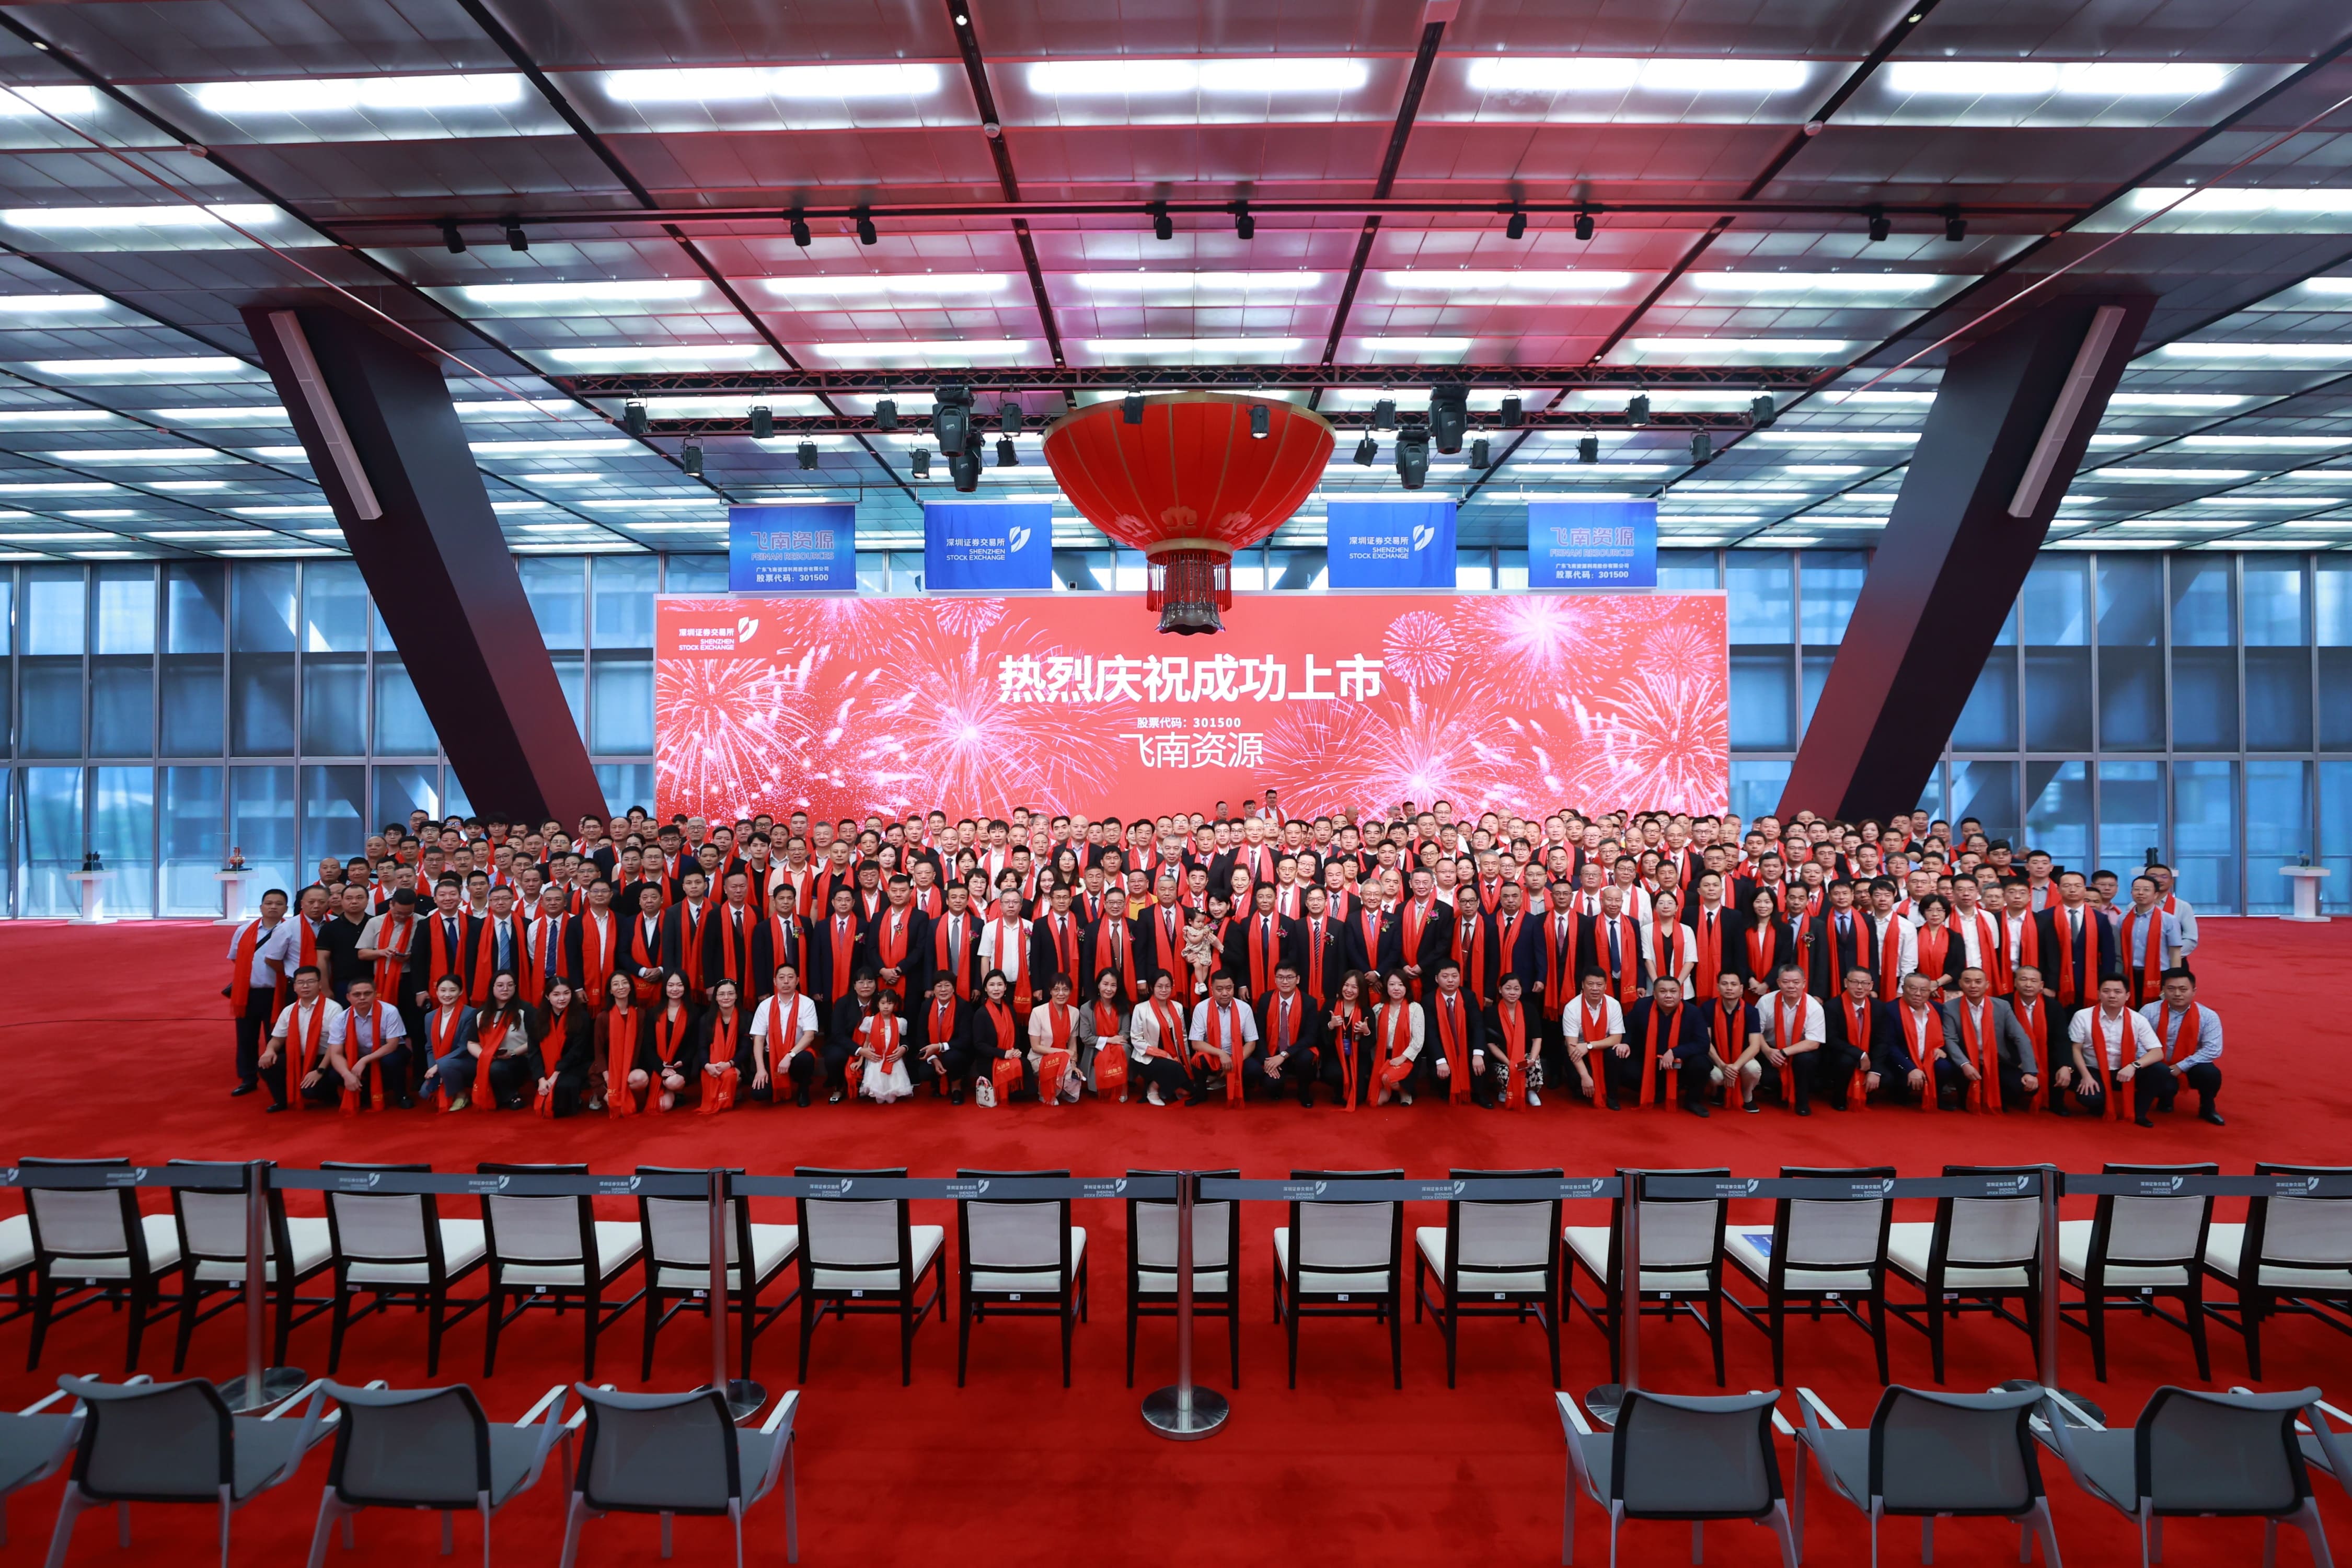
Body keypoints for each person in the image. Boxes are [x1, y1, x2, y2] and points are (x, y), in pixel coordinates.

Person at [2061, 975, 2163, 1121]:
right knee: (2091, 1098)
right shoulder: (2083, 1016)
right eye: (2106, 991)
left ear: (2127, 996)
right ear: (2098, 994)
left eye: (2118, 992)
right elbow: (2075, 1049)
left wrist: (2133, 1066)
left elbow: (2157, 1052)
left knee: (2160, 1071)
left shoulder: (2138, 1019)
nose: (2112, 996)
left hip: (2125, 1070)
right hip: (2093, 1069)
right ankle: (2099, 1104)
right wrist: (2086, 1076)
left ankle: (2139, 1112)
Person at [1942, 964, 2039, 1112]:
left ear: (1987, 985)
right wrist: (1964, 1064)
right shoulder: (1950, 1007)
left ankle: (2001, 1096)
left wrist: (2030, 1072)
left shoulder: (2002, 1006)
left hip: (1997, 1060)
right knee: (1962, 1094)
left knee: (2025, 1087)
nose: (1973, 986)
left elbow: (2020, 1037)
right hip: (1966, 1061)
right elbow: (1950, 1039)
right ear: (1960, 984)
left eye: (1978, 982)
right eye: (1968, 981)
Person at [2139, 966, 2224, 1126]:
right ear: (2163, 990)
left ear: (2194, 991)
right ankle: (2166, 1097)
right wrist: (2154, 1064)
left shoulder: (2208, 1016)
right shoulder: (2149, 1011)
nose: (2177, 994)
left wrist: (2181, 1066)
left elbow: (2213, 1049)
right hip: (2157, 1063)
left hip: (2190, 1064)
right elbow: (2138, 1042)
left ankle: (2207, 1107)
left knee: (2210, 1074)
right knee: (2163, 1081)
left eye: (2183, 989)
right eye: (2171, 989)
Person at [225, 887, 290, 1099]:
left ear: (286, 908)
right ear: (261, 907)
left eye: (278, 904)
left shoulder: (290, 930)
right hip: (249, 993)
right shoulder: (244, 930)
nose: (273, 907)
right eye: (269, 903)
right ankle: (248, 1078)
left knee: (277, 1037)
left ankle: (277, 1078)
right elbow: (236, 958)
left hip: (278, 993)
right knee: (246, 1037)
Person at [1619, 975, 1712, 1115]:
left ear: (1681, 994)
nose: (1668, 996)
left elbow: (1703, 1044)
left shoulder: (1693, 1012)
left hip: (1679, 1064)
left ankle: (1692, 1101)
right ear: (1655, 994)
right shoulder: (1642, 1006)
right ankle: (1656, 1091)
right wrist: (1625, 1043)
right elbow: (1629, 1028)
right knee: (1618, 1059)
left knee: (1701, 1064)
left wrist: (1675, 1052)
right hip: (1648, 1062)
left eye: (1673, 991)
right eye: (1663, 991)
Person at [259, 963, 343, 1112]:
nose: (305, 986)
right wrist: (269, 1050)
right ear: (295, 987)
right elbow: (277, 1039)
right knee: (267, 1064)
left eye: (311, 982)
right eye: (301, 982)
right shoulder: (289, 1010)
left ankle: (329, 1095)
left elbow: (335, 1044)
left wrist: (320, 1071)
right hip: (297, 1057)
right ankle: (283, 1101)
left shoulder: (333, 1009)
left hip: (325, 1058)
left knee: (311, 1092)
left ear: (320, 985)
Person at [325, 977, 407, 1112]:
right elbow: (336, 1053)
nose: (362, 998)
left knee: (392, 1060)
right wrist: (346, 1075)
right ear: (348, 997)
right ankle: (365, 1095)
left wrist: (364, 1060)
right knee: (335, 1074)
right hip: (357, 1055)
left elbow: (392, 1045)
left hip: (386, 1053)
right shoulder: (340, 1019)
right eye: (357, 995)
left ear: (375, 994)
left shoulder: (389, 1011)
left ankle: (402, 1096)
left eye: (367, 993)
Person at [1252, 959, 1320, 1106]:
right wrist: (1267, 1060)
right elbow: (1259, 1034)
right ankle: (1276, 1084)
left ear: (1298, 979)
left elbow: (1311, 1037)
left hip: (1296, 1052)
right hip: (1273, 1052)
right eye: (1280, 977)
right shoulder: (1265, 1000)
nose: (1285, 982)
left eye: (1290, 977)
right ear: (1275, 979)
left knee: (1306, 1057)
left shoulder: (1309, 1002)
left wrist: (1285, 1055)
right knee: (1272, 1087)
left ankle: (1304, 1092)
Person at [1758, 962, 1824, 1115]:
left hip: (1799, 1051)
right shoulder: (1765, 1002)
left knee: (1806, 1061)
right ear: (1779, 983)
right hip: (1770, 1049)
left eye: (1796, 982)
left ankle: (1802, 1102)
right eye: (1786, 982)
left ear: (1804, 983)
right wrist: (1768, 1051)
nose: (1791, 986)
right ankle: (1778, 1090)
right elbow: (1756, 1033)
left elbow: (1814, 1042)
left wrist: (1783, 1052)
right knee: (1769, 1078)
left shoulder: (1814, 1007)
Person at [1188, 971, 1258, 1106]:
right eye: (1219, 989)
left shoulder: (1245, 1008)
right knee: (1198, 1061)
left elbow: (1251, 1043)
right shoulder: (1201, 1008)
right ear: (1212, 990)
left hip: (1237, 1055)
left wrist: (1234, 1061)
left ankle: (1243, 1090)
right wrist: (1221, 1054)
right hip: (1213, 1055)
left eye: (1229, 988)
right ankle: (1201, 1094)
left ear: (1234, 987)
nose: (1225, 993)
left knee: (1254, 1069)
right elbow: (1196, 1043)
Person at [527, 977, 594, 1119]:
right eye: (556, 995)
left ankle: (576, 1098)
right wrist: (541, 1079)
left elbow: (577, 1052)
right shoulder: (537, 1018)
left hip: (573, 1065)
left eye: (566, 993)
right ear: (547, 996)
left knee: (563, 1094)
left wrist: (554, 1076)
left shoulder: (582, 1017)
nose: (562, 999)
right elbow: (534, 1051)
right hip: (546, 1068)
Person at [1422, 959, 1485, 1106]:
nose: (1450, 980)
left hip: (1466, 1047)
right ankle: (1447, 1089)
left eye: (1454, 976)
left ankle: (1480, 1094)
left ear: (1460, 977)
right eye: (1445, 977)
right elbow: (1430, 1034)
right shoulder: (1428, 1000)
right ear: (1437, 979)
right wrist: (1441, 1060)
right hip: (1443, 1049)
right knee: (1439, 1074)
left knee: (1481, 1058)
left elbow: (1478, 1026)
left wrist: (1478, 1054)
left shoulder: (1469, 997)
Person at [472, 970, 538, 1111]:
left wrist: (513, 1053)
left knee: (497, 1068)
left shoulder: (526, 1010)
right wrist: (485, 1057)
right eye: (500, 985)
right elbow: (472, 1042)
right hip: (488, 1058)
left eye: (510, 985)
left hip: (519, 1057)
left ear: (515, 987)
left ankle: (512, 1096)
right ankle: (501, 1095)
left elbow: (536, 1040)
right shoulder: (481, 1013)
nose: (505, 989)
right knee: (479, 1067)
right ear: (493, 988)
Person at [1128, 970, 1192, 1108]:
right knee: (1172, 1067)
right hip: (1147, 1057)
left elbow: (1183, 1037)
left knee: (1191, 1088)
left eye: (1167, 986)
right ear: (1152, 987)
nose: (1164, 990)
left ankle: (1170, 1087)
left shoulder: (1178, 1007)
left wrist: (1187, 1061)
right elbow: (1136, 1040)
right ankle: (1153, 1089)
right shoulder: (1141, 1009)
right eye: (1160, 986)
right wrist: (1163, 1054)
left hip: (1174, 1056)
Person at [1559, 970, 1624, 1104]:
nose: (1595, 988)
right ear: (1583, 985)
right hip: (1578, 1052)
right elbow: (1572, 1046)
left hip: (1601, 1048)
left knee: (1615, 1053)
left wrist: (1589, 1046)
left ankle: (1612, 1096)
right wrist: (1585, 1077)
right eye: (1590, 984)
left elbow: (1616, 1039)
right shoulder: (1572, 1008)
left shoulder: (1614, 1005)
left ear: (1606, 986)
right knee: (1579, 1086)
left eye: (1599, 985)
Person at [638, 970, 697, 1113]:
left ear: (686, 987)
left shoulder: (693, 1013)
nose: (675, 989)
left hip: (680, 1065)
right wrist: (661, 1068)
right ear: (665, 987)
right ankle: (665, 1089)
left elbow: (693, 1045)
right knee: (664, 1106)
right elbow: (648, 1046)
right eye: (671, 985)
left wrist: (683, 1061)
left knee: (672, 1083)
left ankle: (674, 1090)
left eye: (679, 985)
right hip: (657, 1064)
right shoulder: (653, 1013)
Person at [964, 970, 1025, 1106]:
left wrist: (1015, 1051)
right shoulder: (981, 1013)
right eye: (992, 985)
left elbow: (1016, 1036)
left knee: (1024, 1064)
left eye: (1000, 985)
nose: (996, 989)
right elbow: (979, 1045)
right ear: (986, 988)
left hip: (1010, 1054)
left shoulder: (1010, 1009)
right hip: (990, 1060)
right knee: (1019, 1066)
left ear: (1005, 987)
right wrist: (1003, 1054)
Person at [1706, 968, 1763, 1113]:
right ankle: (1718, 1091)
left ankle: (1747, 1096)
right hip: (1717, 1059)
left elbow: (1755, 1046)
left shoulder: (1751, 1011)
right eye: (1725, 984)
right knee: (1716, 1076)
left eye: (1734, 984)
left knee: (1754, 1069)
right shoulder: (1707, 1008)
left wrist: (1734, 1068)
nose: (1729, 988)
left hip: (1741, 1059)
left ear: (1741, 988)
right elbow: (1706, 1042)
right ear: (1718, 987)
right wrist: (1722, 1065)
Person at [1482, 971, 1540, 1108]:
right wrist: (1509, 1063)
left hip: (1524, 1056)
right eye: (1508, 988)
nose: (1512, 992)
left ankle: (1531, 1091)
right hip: (1503, 1058)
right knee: (1507, 1071)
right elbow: (1491, 1044)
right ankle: (1505, 1091)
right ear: (1500, 990)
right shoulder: (1491, 1013)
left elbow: (1537, 1038)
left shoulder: (1530, 1009)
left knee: (1535, 1064)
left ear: (1521, 991)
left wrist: (1532, 1059)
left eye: (1516, 989)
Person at [690, 977, 748, 1114]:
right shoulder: (706, 1019)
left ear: (736, 996)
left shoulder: (746, 1018)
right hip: (712, 1064)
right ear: (715, 997)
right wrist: (707, 1065)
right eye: (722, 994)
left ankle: (733, 1090)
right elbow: (702, 1047)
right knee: (711, 1074)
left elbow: (746, 1048)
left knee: (730, 1076)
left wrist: (730, 1064)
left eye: (730, 993)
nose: (726, 998)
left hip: (736, 1064)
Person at [1368, 970, 1424, 1107]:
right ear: (1386, 987)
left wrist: (1403, 1058)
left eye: (1401, 984)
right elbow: (1374, 1039)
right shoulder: (1378, 1009)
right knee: (1377, 1101)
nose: (1396, 988)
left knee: (1390, 1079)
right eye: (1392, 984)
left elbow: (1418, 1040)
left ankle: (1404, 1091)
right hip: (1384, 1055)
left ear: (1406, 987)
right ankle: (1389, 1088)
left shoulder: (1415, 1008)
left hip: (1408, 1055)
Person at [1028, 973, 1085, 1105]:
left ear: (1070, 992)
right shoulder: (1038, 1012)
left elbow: (1073, 1044)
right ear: (1050, 991)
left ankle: (1061, 1087)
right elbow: (1035, 1047)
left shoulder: (1075, 1013)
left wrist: (1073, 1064)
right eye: (1056, 989)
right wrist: (1064, 1053)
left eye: (1065, 990)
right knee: (1062, 1063)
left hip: (1065, 1059)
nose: (1061, 994)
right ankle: (1046, 1093)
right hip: (1039, 1058)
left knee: (1074, 1075)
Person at [1321, 970, 1375, 1109]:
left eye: (1354, 987)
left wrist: (1366, 1032)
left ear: (1361, 990)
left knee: (1359, 1099)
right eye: (1346, 985)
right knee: (1335, 1074)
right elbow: (1323, 1040)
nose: (1349, 990)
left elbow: (1368, 1046)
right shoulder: (1330, 1006)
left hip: (1358, 1059)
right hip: (1335, 1057)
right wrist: (1330, 1026)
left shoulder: (1366, 1011)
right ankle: (1338, 1089)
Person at [913, 971, 969, 1102]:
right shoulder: (926, 1006)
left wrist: (939, 1047)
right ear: (934, 989)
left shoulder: (963, 1006)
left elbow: (965, 1040)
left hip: (955, 1051)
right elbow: (921, 1037)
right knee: (924, 1071)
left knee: (951, 1058)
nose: (943, 990)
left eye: (947, 985)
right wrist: (933, 1058)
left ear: (954, 988)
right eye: (939, 986)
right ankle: (937, 1083)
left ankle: (956, 1087)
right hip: (933, 1053)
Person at [852, 987, 914, 1103]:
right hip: (877, 1058)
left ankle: (892, 1092)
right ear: (878, 1004)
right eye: (883, 1003)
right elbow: (867, 1042)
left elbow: (902, 1041)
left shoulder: (900, 1022)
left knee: (891, 1098)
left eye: (890, 1003)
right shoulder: (870, 1021)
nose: (886, 1007)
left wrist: (902, 1049)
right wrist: (861, 1060)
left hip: (893, 1058)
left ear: (895, 1005)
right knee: (879, 1098)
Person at [1077, 967, 1129, 1101]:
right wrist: (1109, 1041)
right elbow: (1086, 1037)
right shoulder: (1086, 1009)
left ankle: (1122, 1086)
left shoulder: (1123, 1007)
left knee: (1124, 1048)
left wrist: (1114, 1044)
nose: (1109, 989)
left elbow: (1125, 1033)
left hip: (1119, 1048)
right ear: (1099, 985)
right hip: (1096, 1049)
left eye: (1113, 985)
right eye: (1105, 984)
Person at [597, 971, 641, 1115]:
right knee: (618, 1108)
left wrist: (629, 1068)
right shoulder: (603, 1017)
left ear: (631, 987)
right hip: (608, 1068)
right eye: (616, 984)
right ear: (610, 991)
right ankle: (602, 1094)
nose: (621, 987)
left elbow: (640, 1046)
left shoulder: (640, 1014)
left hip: (631, 1067)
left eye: (625, 983)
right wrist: (607, 1074)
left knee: (639, 1078)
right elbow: (598, 1050)